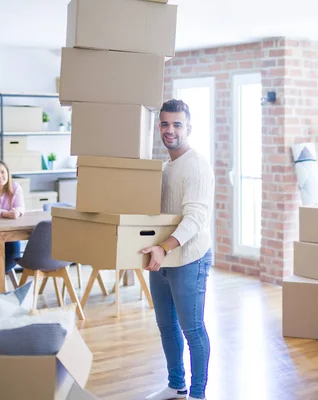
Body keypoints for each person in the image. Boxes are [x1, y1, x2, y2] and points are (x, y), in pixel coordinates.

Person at [141, 99, 215, 400]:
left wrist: (164, 248)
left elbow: (195, 217)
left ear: (189, 128)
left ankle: (197, 394)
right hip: (162, 256)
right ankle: (176, 385)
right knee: (166, 326)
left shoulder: (196, 166)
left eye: (177, 124)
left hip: (188, 257)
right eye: (165, 124)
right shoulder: (165, 167)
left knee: (192, 329)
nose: (170, 130)